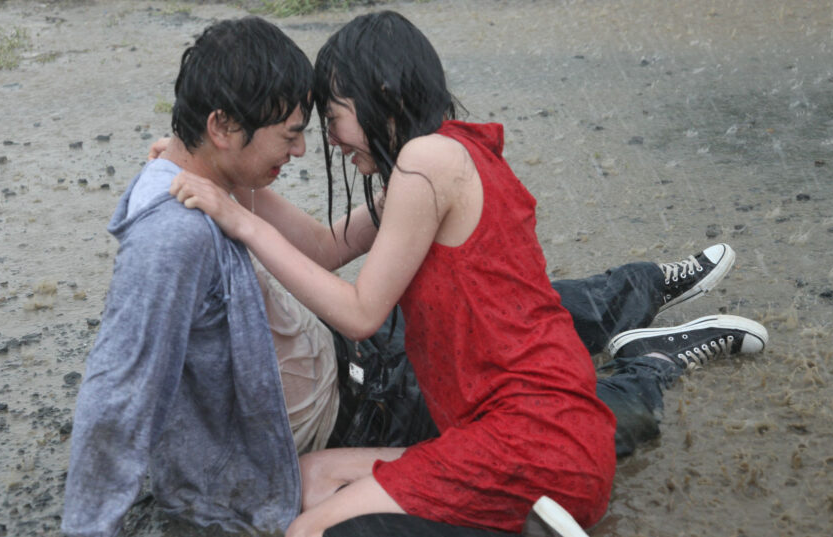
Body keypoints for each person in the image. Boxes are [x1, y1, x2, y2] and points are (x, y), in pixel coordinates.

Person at [167, 11, 768, 537]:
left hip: (529, 440)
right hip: (506, 430)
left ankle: (553, 492)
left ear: (383, 92)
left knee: (308, 529)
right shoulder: (445, 157)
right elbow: (324, 247)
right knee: (308, 480)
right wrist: (216, 169)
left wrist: (239, 222)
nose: (328, 138)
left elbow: (358, 313)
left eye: (334, 116)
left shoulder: (427, 165)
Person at [60, 17, 314, 537]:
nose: (301, 150)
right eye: (290, 134)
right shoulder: (176, 232)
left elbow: (325, 247)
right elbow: (117, 394)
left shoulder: (209, 178)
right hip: (271, 463)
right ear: (221, 128)